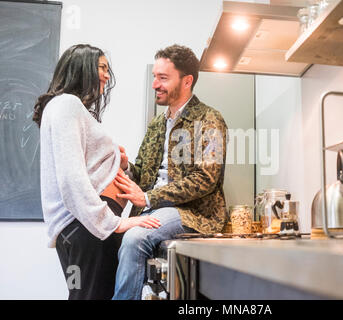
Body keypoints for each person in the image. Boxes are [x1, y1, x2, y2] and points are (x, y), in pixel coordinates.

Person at [33, 44, 160, 300]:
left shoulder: (67, 108)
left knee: (85, 294)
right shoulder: (66, 104)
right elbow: (71, 178)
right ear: (82, 68)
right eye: (101, 67)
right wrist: (113, 222)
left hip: (84, 230)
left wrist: (119, 164)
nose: (106, 75)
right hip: (87, 229)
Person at [112, 44, 228, 300]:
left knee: (134, 239)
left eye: (163, 78)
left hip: (194, 213)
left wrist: (149, 198)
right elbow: (143, 173)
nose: (155, 84)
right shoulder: (157, 123)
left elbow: (205, 178)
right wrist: (126, 167)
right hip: (155, 210)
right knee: (114, 237)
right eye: (155, 76)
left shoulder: (210, 119)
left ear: (187, 81)